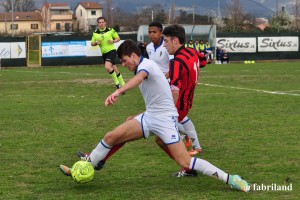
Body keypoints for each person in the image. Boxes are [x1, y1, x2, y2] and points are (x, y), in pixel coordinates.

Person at [60, 39, 250, 193]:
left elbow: (139, 78)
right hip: (150, 117)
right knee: (112, 136)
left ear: (134, 55)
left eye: (125, 60)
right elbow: (142, 81)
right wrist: (122, 93)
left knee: (184, 161)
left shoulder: (146, 66)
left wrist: (117, 92)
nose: (124, 65)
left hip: (166, 120)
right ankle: (84, 167)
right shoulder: (142, 66)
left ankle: (230, 179)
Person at [146, 22, 203, 156]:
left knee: (161, 136)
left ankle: (188, 164)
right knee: (179, 123)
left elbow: (175, 90)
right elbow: (203, 60)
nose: (164, 45)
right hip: (188, 99)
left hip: (180, 102)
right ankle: (195, 146)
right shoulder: (191, 51)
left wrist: (168, 110)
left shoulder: (176, 62)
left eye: (166, 41)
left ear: (175, 40)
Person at [91, 17, 125, 89]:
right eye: (99, 22)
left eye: (102, 22)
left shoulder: (110, 30)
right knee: (115, 69)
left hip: (112, 51)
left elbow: (118, 38)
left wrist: (113, 41)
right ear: (98, 24)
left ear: (105, 23)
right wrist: (96, 43)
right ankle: (123, 84)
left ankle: (117, 83)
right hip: (104, 54)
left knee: (107, 67)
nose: (101, 24)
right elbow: (92, 43)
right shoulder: (95, 33)